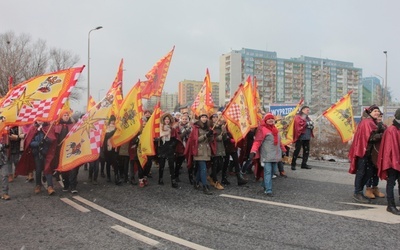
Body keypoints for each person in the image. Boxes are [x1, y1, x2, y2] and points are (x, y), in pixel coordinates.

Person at [349, 105, 381, 203]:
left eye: (378, 111)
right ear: (369, 112)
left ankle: (359, 191)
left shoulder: (372, 122)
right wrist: (383, 135)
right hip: (363, 152)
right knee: (362, 172)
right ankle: (357, 192)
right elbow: (370, 138)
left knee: (368, 173)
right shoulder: (367, 122)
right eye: (375, 111)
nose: (377, 113)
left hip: (368, 153)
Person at [248, 113, 286, 197]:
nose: (270, 120)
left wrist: (283, 150)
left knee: (273, 172)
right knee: (268, 172)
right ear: (265, 120)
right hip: (267, 156)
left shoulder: (275, 129)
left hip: (275, 156)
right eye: (268, 118)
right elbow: (257, 141)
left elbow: (279, 142)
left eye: (272, 118)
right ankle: (268, 190)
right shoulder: (262, 129)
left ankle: (264, 184)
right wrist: (253, 151)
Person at [377, 108, 400, 215]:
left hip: (398, 160)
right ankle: (390, 205)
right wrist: (392, 162)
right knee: (391, 182)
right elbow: (389, 149)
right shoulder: (391, 130)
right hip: (392, 162)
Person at [185, 113, 214, 195]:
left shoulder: (208, 127)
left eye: (205, 117)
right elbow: (195, 140)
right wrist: (205, 135)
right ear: (200, 118)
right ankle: (205, 186)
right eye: (202, 117)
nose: (204, 119)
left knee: (201, 169)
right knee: (203, 168)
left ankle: (196, 182)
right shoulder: (196, 128)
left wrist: (211, 135)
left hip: (206, 150)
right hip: (198, 151)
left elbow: (210, 141)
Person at [27, 121, 56, 195]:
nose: (40, 121)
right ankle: (38, 185)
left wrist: (46, 140)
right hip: (37, 153)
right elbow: (30, 142)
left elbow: (52, 139)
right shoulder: (34, 129)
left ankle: (50, 186)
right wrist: (38, 143)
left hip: (47, 152)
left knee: (47, 169)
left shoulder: (48, 128)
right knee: (38, 170)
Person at [53, 111, 78, 193]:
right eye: (65, 115)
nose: (66, 116)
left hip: (71, 151)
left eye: (67, 115)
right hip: (61, 151)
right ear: (61, 116)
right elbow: (55, 139)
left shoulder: (73, 126)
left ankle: (73, 186)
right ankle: (66, 185)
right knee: (64, 170)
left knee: (73, 168)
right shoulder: (57, 126)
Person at [364, 111, 386, 199]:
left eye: (381, 116)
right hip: (370, 152)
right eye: (378, 116)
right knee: (369, 171)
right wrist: (381, 135)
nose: (380, 118)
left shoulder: (382, 126)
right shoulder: (371, 125)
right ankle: (368, 189)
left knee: (376, 172)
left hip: (378, 153)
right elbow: (370, 137)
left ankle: (375, 188)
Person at [157, 113, 179, 188]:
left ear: (170, 120)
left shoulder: (172, 128)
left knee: (171, 165)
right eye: (165, 119)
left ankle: (173, 180)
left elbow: (176, 138)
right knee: (162, 165)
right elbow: (157, 137)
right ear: (163, 120)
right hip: (162, 147)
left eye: (168, 119)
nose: (167, 120)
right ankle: (160, 178)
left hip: (170, 147)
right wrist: (158, 139)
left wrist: (172, 145)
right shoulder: (159, 128)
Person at [291, 106, 314, 170]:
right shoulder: (298, 116)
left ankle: (304, 164)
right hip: (300, 137)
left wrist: (311, 125)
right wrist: (307, 123)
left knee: (306, 151)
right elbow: (299, 124)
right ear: (303, 110)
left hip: (307, 137)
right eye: (307, 110)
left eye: (308, 110)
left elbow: (308, 125)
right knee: (297, 150)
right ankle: (293, 164)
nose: (308, 111)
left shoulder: (307, 117)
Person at [208, 113, 226, 190]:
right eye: (214, 117)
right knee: (214, 165)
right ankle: (215, 181)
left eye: (217, 117)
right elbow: (208, 139)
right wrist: (215, 139)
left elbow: (224, 139)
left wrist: (224, 132)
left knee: (221, 165)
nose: (216, 118)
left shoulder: (220, 127)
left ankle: (211, 177)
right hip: (213, 148)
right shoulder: (210, 128)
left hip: (221, 148)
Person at [0, 116, 10, 200]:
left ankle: (5, 193)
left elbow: (7, 145)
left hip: (3, 157)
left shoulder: (4, 129)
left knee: (5, 175)